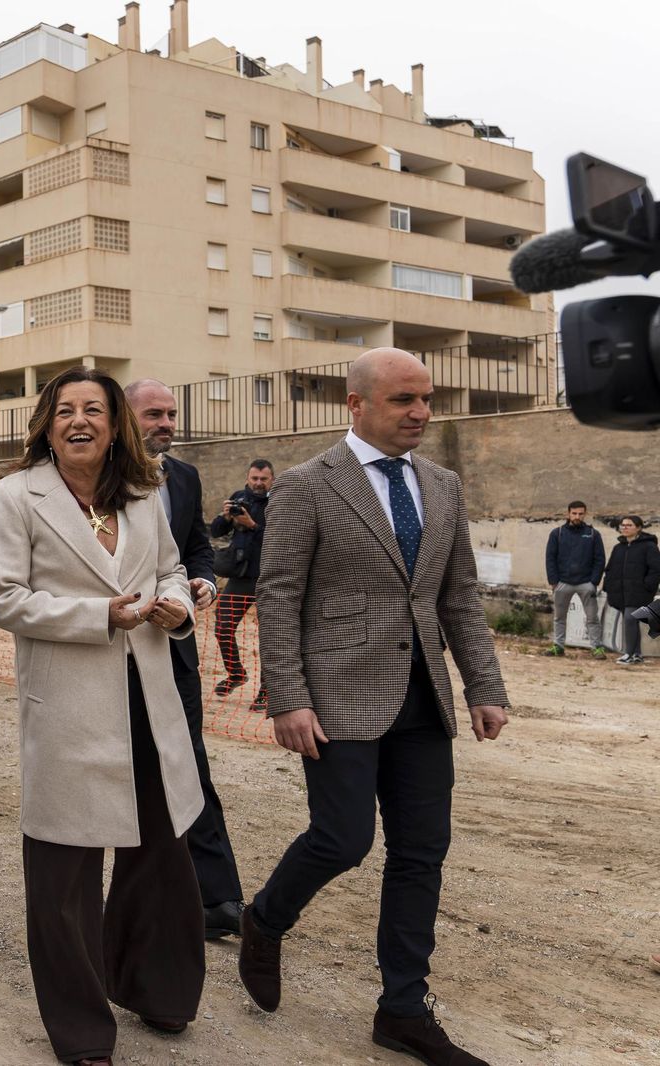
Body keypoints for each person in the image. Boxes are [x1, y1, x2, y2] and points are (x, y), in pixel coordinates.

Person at [239, 347, 509, 1066]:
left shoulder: (444, 484)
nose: (421, 412)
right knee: (343, 839)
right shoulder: (308, 484)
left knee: (421, 854)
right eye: (402, 400)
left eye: (426, 399)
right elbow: (280, 595)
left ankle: (402, 1010)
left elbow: (458, 595)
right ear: (355, 405)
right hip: (338, 696)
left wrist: (484, 685)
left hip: (425, 698)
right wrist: (288, 698)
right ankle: (264, 919)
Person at [0, 367, 204, 1066]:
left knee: (162, 854)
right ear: (47, 423)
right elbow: (6, 599)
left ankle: (153, 988)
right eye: (65, 410)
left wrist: (176, 606)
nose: (79, 421)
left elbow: (169, 570)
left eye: (94, 410)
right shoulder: (17, 494)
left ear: (116, 425)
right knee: (63, 875)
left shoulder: (146, 494)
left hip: (148, 698)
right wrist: (98, 615)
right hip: (70, 704)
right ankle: (81, 1030)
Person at [125, 378, 244, 941]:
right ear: (125, 415)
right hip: (112, 650)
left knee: (189, 761)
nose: (166, 423)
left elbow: (197, 545)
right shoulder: (94, 475)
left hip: (174, 647)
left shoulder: (186, 477)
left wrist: (202, 580)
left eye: (171, 413)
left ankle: (217, 897)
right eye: (154, 413)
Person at [209, 460, 272, 706]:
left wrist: (253, 526)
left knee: (270, 637)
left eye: (263, 479)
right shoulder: (238, 498)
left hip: (267, 577)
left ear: (271, 480)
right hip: (240, 576)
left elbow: (280, 538)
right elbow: (215, 532)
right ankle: (236, 673)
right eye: (254, 478)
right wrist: (225, 516)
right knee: (222, 627)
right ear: (247, 478)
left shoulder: (278, 500)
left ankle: (268, 690)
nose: (257, 483)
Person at [544, 501, 608, 657]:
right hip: (562, 583)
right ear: (568, 513)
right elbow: (550, 558)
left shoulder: (593, 534)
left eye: (580, 513)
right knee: (559, 617)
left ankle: (596, 647)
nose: (577, 516)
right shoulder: (557, 533)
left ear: (585, 514)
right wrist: (554, 581)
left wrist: (594, 582)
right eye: (574, 513)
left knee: (592, 617)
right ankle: (558, 646)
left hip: (586, 583)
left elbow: (600, 559)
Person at [603, 516, 659, 664]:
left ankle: (627, 653)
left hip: (639, 592)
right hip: (621, 592)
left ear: (639, 528)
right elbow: (610, 569)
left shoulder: (649, 546)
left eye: (629, 525)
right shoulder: (618, 548)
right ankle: (637, 654)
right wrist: (608, 586)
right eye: (623, 525)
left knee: (630, 618)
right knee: (631, 621)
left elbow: (655, 569)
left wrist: (648, 586)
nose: (625, 527)